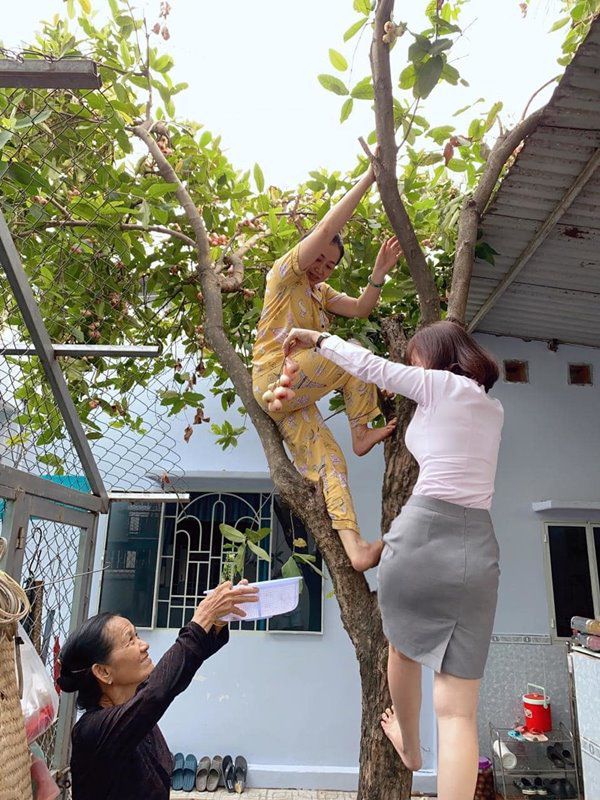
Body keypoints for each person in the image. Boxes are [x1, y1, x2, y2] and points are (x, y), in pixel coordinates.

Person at [282, 321, 503, 800]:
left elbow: (369, 366)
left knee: (400, 649)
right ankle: (424, 756)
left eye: (416, 358)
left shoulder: (440, 385)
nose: (412, 367)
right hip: (478, 546)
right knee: (459, 713)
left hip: (423, 531)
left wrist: (317, 339)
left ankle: (411, 748)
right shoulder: (492, 407)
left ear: (438, 357)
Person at [252, 159, 402, 572]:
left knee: (331, 459)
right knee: (348, 353)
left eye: (330, 266)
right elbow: (323, 230)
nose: (321, 269)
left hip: (292, 396)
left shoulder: (320, 293)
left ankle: (355, 549)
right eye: (319, 259)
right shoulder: (284, 275)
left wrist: (377, 274)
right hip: (275, 375)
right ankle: (360, 430)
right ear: (307, 252)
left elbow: (360, 307)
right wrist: (370, 178)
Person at [57, 580, 259, 800]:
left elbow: (170, 679)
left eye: (137, 635)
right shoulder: (92, 731)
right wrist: (201, 620)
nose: (144, 645)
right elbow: (157, 692)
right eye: (130, 641)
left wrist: (216, 623)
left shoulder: (136, 709)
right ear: (103, 672)